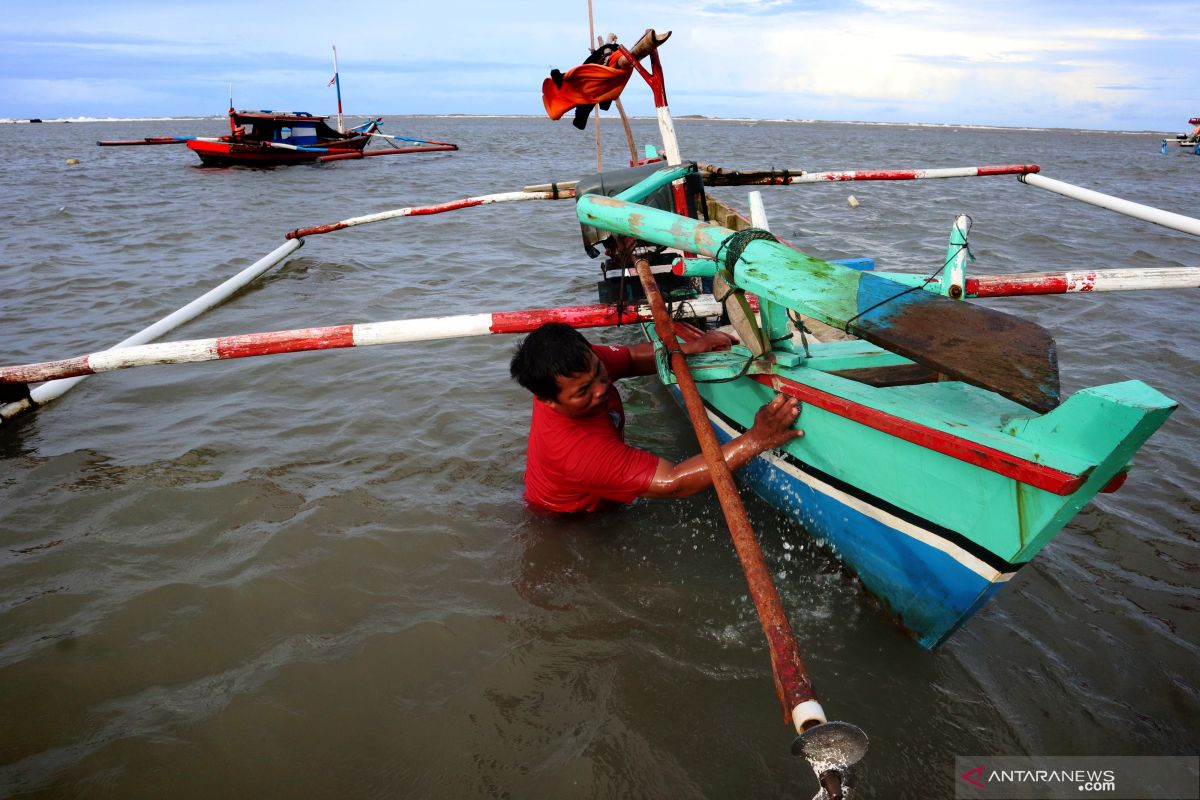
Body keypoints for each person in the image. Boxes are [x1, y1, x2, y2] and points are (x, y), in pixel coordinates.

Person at [509, 322, 802, 513]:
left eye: (600, 373)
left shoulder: (578, 367)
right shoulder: (576, 450)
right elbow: (674, 482)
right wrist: (756, 439)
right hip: (568, 518)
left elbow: (632, 357)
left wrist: (684, 349)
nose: (601, 389)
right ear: (548, 400)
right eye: (584, 391)